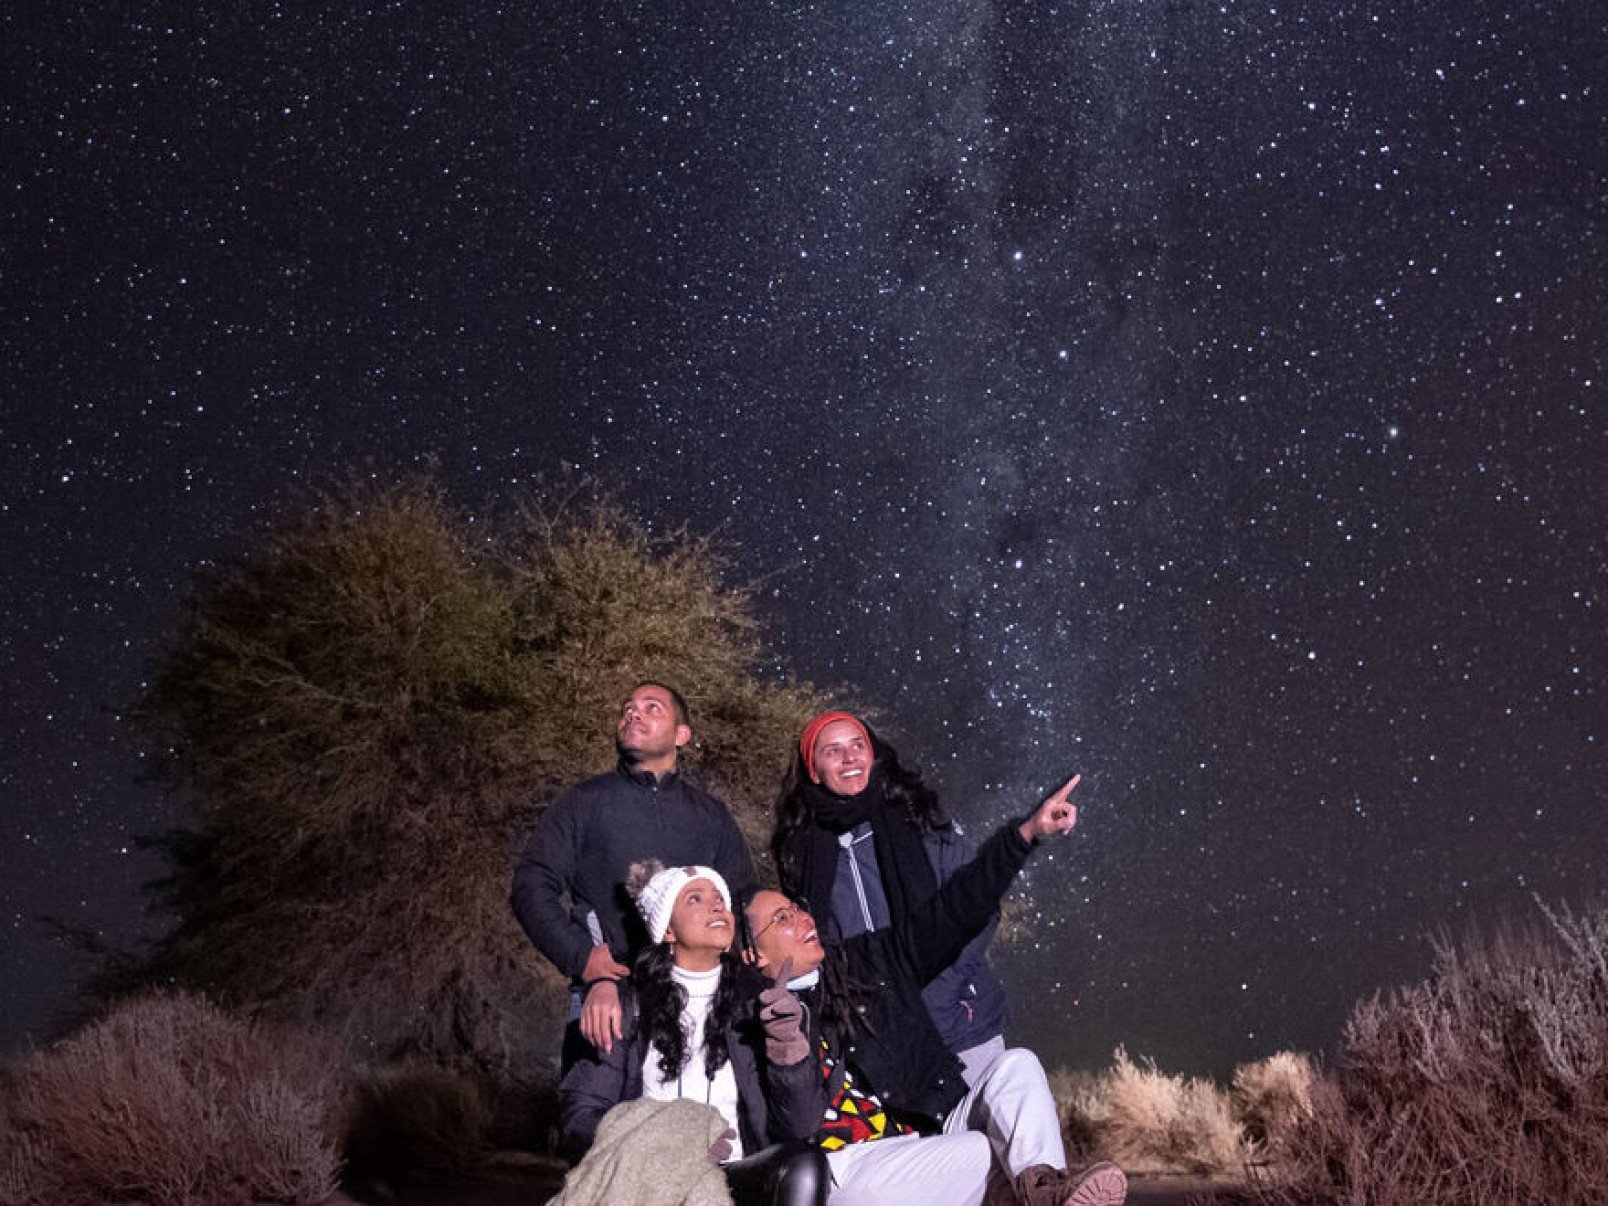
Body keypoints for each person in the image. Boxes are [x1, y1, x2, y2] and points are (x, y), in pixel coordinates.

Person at [743, 775, 1127, 1206]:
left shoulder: (864, 965)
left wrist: (1026, 834)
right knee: (988, 1150)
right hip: (847, 1167)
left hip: (918, 1142)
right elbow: (795, 1125)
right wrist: (786, 1041)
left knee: (1017, 1067)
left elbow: (953, 912)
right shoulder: (752, 1014)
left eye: (796, 909)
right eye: (780, 920)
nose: (801, 919)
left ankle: (1043, 1191)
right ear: (751, 955)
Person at [512, 682, 757, 1072]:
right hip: (610, 995)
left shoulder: (711, 814)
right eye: (628, 708)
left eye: (652, 707)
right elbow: (532, 883)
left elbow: (745, 897)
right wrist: (581, 959)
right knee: (600, 1122)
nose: (634, 713)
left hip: (702, 998)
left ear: (682, 734)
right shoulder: (584, 802)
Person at [561, 861, 828, 1206]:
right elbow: (582, 1115)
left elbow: (802, 1126)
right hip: (649, 1172)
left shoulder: (760, 1002)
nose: (716, 905)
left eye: (719, 898)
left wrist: (787, 1047)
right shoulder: (626, 1003)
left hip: (734, 1174)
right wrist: (664, 1141)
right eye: (695, 899)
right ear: (667, 930)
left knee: (804, 1166)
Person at [772, 710, 1010, 1086]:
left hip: (959, 1024)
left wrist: (944, 988)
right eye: (833, 751)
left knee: (997, 1135)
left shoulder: (919, 818)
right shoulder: (798, 850)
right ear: (813, 769)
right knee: (934, 1146)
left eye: (857, 746)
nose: (850, 758)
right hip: (878, 1040)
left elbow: (979, 908)